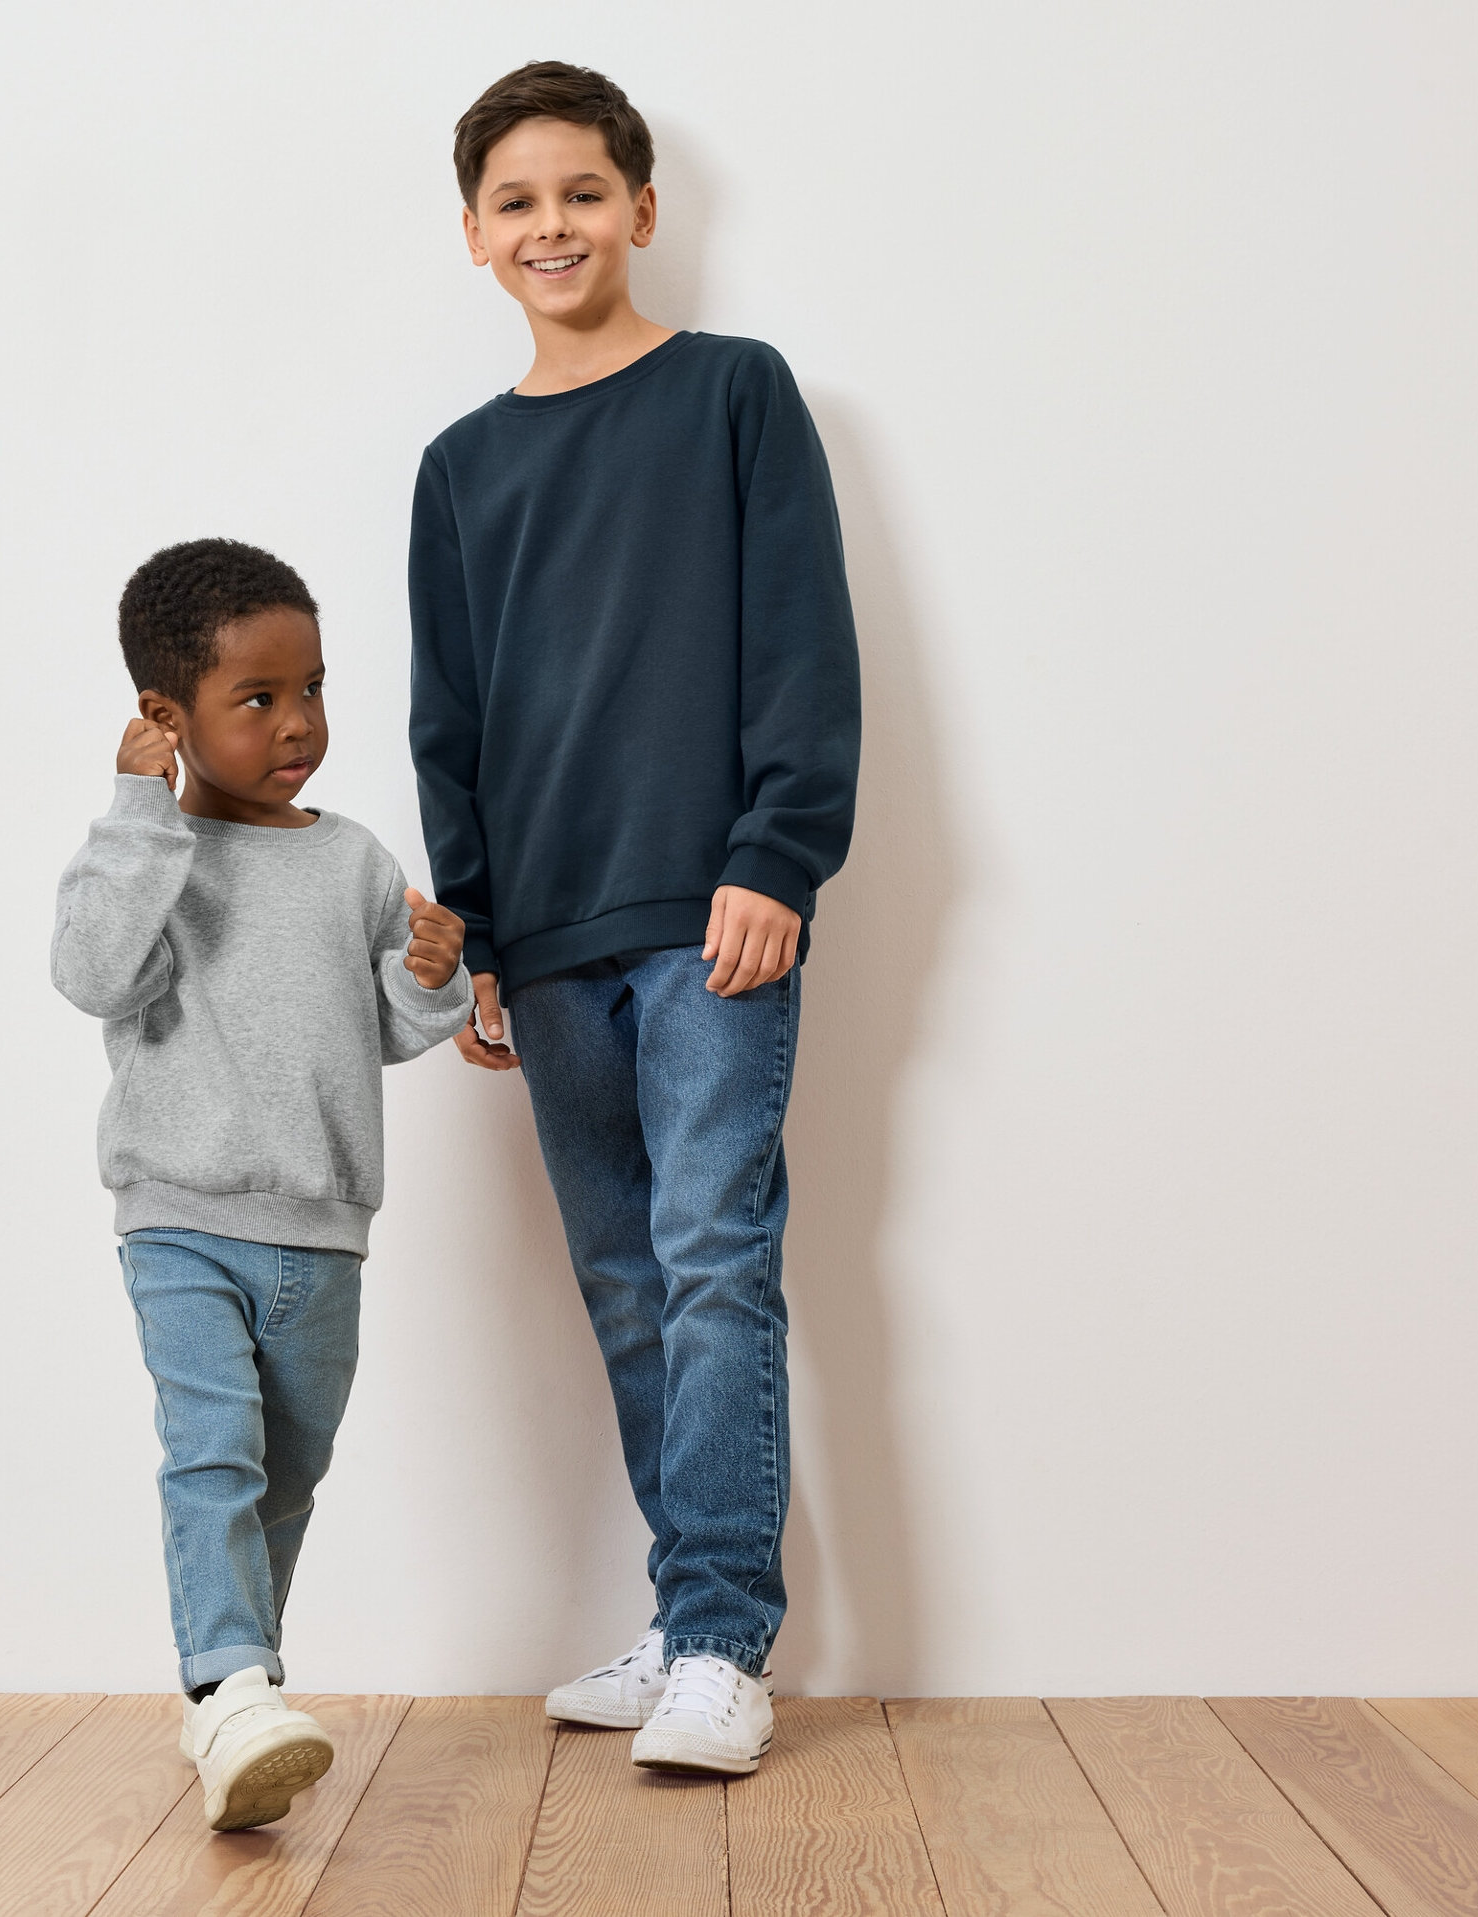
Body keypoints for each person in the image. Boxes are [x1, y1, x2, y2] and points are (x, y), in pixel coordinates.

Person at [408, 62, 862, 1775]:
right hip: (549, 937)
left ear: (642, 209)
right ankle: (683, 1619)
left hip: (711, 908)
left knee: (711, 1253)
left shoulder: (733, 395)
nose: (551, 225)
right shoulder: (457, 469)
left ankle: (728, 1643)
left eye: (581, 193)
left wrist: (777, 856)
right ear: (471, 236)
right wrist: (483, 935)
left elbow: (804, 646)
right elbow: (450, 715)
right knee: (622, 1280)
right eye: (515, 203)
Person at [53, 537, 473, 1829]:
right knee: (214, 1458)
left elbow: (390, 1032)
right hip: (181, 1218)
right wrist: (136, 814)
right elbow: (91, 974)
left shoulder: (348, 857)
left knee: (285, 1473)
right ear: (164, 718)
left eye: (312, 688)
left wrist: (428, 971)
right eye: (257, 698)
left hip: (325, 1234)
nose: (298, 723)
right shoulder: (144, 858)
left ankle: (230, 1708)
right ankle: (233, 1683)